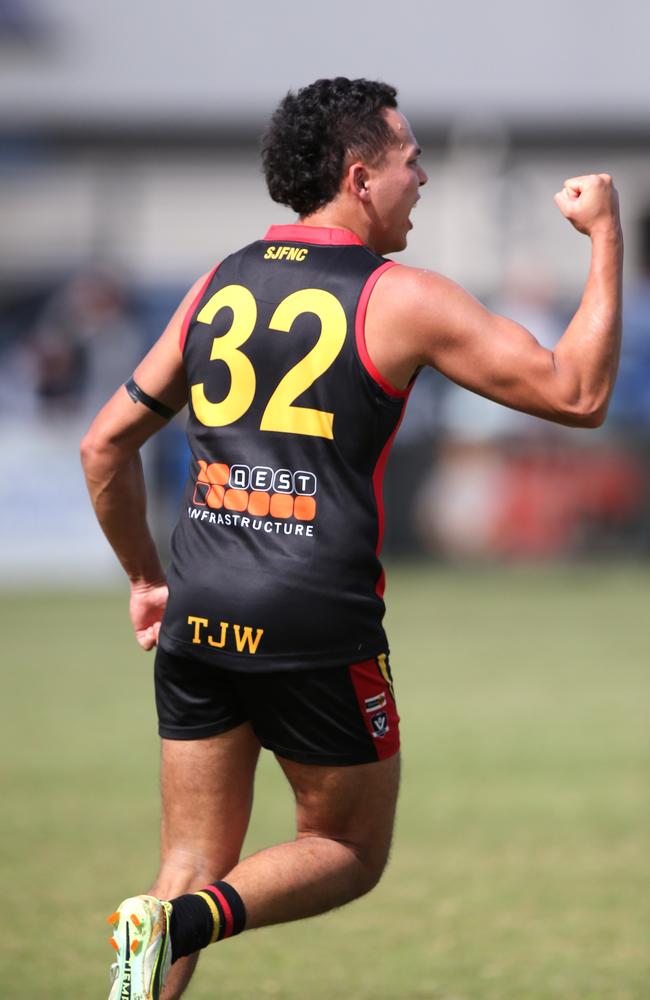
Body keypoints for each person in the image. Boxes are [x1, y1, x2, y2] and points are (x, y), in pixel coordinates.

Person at [80, 77, 623, 1000]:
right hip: (312, 618)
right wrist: (609, 234)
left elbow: (104, 444)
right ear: (361, 176)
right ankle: (181, 921)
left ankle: (165, 917)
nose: (424, 179)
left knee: (187, 858)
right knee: (344, 849)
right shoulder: (399, 297)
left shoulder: (218, 281)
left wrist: (143, 575)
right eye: (412, 161)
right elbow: (577, 395)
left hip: (200, 602)